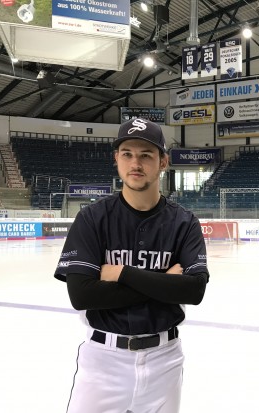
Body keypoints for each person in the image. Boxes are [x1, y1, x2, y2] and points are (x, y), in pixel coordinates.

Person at [54, 117, 209, 413]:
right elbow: (82, 295)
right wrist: (164, 282)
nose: (135, 163)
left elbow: (194, 290)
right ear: (116, 159)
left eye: (146, 155)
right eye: (127, 154)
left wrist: (123, 273)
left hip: (165, 359)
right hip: (103, 361)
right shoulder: (92, 219)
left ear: (163, 161)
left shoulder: (184, 222)